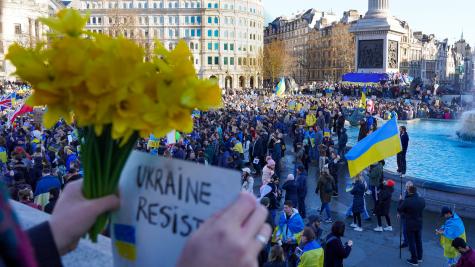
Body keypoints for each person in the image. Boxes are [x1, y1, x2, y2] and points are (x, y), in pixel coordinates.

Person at [398, 185, 426, 266]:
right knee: (418, 241)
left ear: (409, 191)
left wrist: (400, 200)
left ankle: (414, 260)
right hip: (419, 223)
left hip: (410, 224)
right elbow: (423, 207)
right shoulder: (422, 200)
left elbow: (399, 209)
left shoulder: (407, 200)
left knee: (411, 242)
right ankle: (420, 258)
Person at [274, 200, 305, 267]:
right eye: (284, 207)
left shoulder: (298, 218)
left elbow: (301, 232)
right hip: (284, 241)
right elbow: (280, 227)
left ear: (291, 208)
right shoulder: (283, 216)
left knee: (296, 257)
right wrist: (278, 235)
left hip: (294, 243)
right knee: (283, 255)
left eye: (286, 208)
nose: (284, 209)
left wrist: (292, 239)